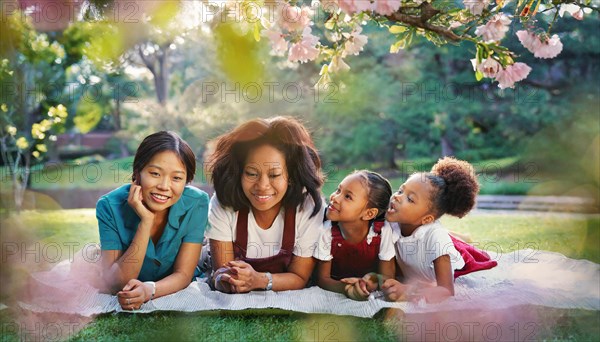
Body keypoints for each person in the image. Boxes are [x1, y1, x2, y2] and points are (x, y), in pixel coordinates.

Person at [205, 116, 324, 293]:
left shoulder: (307, 206)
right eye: (252, 174)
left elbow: (299, 277)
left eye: (274, 175)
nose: (262, 186)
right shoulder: (224, 203)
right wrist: (225, 280)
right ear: (239, 172)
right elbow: (221, 270)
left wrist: (259, 280)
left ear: (290, 176)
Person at [96, 131, 208, 310]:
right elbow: (115, 284)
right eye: (155, 173)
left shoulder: (197, 202)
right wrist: (146, 221)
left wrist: (149, 290)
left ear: (187, 181)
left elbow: (184, 273)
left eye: (177, 178)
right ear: (137, 172)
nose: (164, 186)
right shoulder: (109, 206)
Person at [382, 157, 497, 303]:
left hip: (455, 267)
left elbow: (446, 290)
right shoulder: (392, 223)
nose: (397, 197)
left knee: (452, 243)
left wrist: (408, 290)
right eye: (400, 190)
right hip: (422, 253)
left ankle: (460, 239)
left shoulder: (436, 237)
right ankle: (459, 237)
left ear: (427, 219)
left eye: (410, 199)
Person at [313, 170, 396, 300]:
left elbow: (387, 277)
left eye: (347, 197)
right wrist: (347, 288)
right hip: (340, 281)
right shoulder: (327, 231)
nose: (335, 197)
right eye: (338, 190)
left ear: (369, 214)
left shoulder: (382, 232)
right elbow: (323, 279)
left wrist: (370, 281)